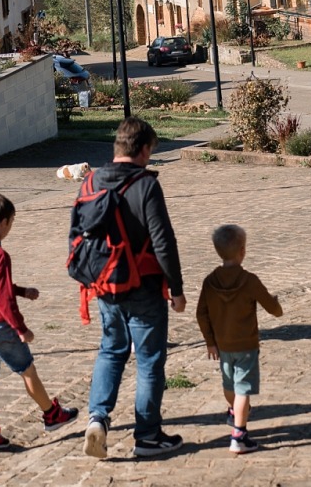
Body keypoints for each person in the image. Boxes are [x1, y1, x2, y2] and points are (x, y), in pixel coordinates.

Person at [78, 116, 187, 460]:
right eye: (151, 151)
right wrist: (177, 287)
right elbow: (163, 241)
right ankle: (148, 436)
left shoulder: (91, 181)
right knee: (150, 360)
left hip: (104, 284)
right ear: (141, 150)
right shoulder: (146, 185)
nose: (150, 158)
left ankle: (97, 418)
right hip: (144, 285)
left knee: (111, 350)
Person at [0, 193, 79, 451]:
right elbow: (2, 299)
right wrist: (21, 329)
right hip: (0, 327)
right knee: (27, 370)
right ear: (3, 222)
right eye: (12, 222)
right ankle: (52, 414)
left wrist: (22, 290)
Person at [196, 224, 284, 454]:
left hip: (222, 344)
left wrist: (209, 341)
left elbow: (201, 313)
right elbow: (269, 304)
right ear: (242, 251)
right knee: (243, 389)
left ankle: (233, 410)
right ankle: (239, 435)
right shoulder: (249, 280)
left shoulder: (209, 282)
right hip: (246, 344)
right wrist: (277, 308)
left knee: (229, 385)